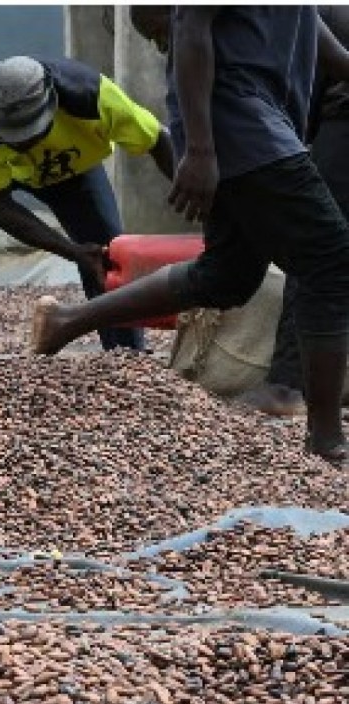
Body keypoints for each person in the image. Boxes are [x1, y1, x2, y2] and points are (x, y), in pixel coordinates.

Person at [30, 7, 349, 468]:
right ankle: (325, 437)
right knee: (330, 259)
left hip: (254, 125)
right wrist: (199, 150)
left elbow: (314, 32)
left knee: (227, 275)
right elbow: (189, 23)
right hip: (239, 123)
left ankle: (65, 321)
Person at [0, 56, 174, 374]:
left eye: (27, 134)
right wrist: (71, 251)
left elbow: (157, 139)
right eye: (8, 134)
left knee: (108, 251)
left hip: (70, 169)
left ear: (52, 108)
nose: (19, 144)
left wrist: (196, 193)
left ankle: (128, 359)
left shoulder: (92, 95)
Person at [235, 4, 349, 420]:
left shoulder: (298, 18)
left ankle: (287, 387)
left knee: (315, 248)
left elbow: (295, 107)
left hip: (342, 115)